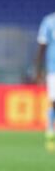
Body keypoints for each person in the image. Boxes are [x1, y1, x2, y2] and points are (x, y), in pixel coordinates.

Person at [35, 11, 55, 153]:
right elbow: (42, 45)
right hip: (53, 68)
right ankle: (50, 132)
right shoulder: (49, 21)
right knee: (53, 101)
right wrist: (38, 68)